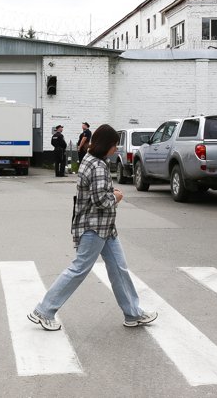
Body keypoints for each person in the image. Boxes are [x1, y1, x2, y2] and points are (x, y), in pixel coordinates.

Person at [28, 124, 157, 331]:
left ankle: (133, 314)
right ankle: (44, 311)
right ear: (106, 144)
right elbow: (99, 200)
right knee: (79, 269)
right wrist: (115, 196)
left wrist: (108, 190)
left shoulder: (90, 159)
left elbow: (95, 192)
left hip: (104, 227)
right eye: (114, 145)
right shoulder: (97, 165)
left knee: (119, 269)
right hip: (95, 227)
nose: (116, 148)